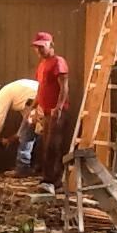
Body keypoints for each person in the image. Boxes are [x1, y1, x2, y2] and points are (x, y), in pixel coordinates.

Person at [31, 31, 69, 194]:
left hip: (56, 112)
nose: (39, 50)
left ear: (51, 45)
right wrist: (34, 106)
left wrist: (58, 107)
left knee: (53, 146)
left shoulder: (58, 62)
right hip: (45, 112)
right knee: (45, 145)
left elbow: (64, 86)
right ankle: (52, 180)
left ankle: (51, 181)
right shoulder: (42, 65)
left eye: (42, 47)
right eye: (36, 47)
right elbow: (41, 87)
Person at [0, 79, 39, 176]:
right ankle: (31, 166)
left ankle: (22, 168)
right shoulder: (18, 95)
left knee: (26, 137)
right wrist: (10, 140)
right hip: (39, 98)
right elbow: (25, 126)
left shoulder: (2, 95)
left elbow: (0, 121)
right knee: (32, 133)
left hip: (36, 100)